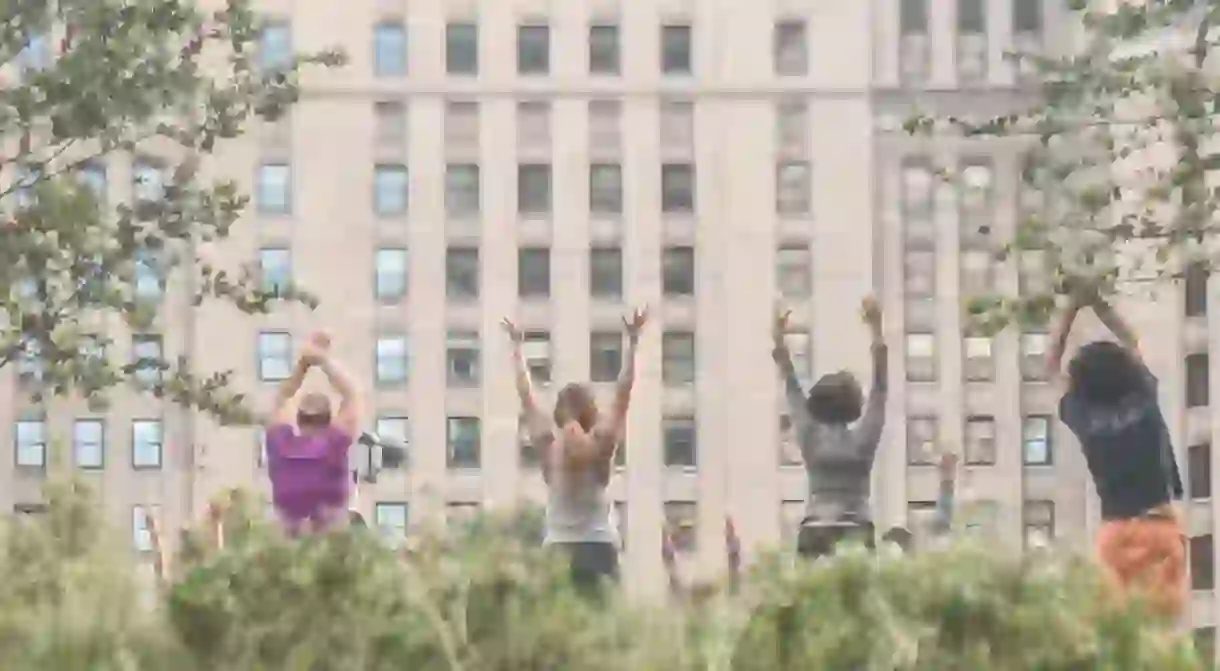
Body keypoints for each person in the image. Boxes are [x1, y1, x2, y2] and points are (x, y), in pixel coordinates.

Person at [1048, 287, 1185, 618]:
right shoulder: (1143, 398)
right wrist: (1096, 301)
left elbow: (1050, 367)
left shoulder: (1084, 418)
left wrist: (1069, 311)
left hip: (1116, 535)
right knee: (1161, 635)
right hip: (1158, 529)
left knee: (1121, 634)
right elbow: (1133, 340)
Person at [503, 308, 647, 595]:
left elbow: (526, 397)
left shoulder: (548, 447)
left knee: (560, 636)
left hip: (559, 550)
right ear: (591, 414)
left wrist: (517, 348)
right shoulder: (602, 447)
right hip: (598, 549)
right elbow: (622, 397)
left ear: (559, 412)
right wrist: (633, 344)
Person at [772, 296, 888, 558]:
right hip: (856, 525)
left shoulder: (810, 436)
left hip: (817, 525)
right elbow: (880, 390)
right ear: (854, 406)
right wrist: (877, 330)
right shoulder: (863, 441)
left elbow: (791, 387)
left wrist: (779, 340)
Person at [263, 331, 363, 537]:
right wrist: (323, 360)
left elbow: (281, 398)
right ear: (329, 421)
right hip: (330, 544)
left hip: (288, 542)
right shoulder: (334, 445)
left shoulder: (281, 446)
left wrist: (303, 365)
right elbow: (352, 394)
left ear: (298, 420)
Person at [881, 452, 957, 553]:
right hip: (942, 517)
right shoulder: (947, 485)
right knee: (918, 521)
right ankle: (907, 540)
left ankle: (907, 541)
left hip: (943, 518)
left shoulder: (949, 485)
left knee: (918, 520)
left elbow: (948, 491)